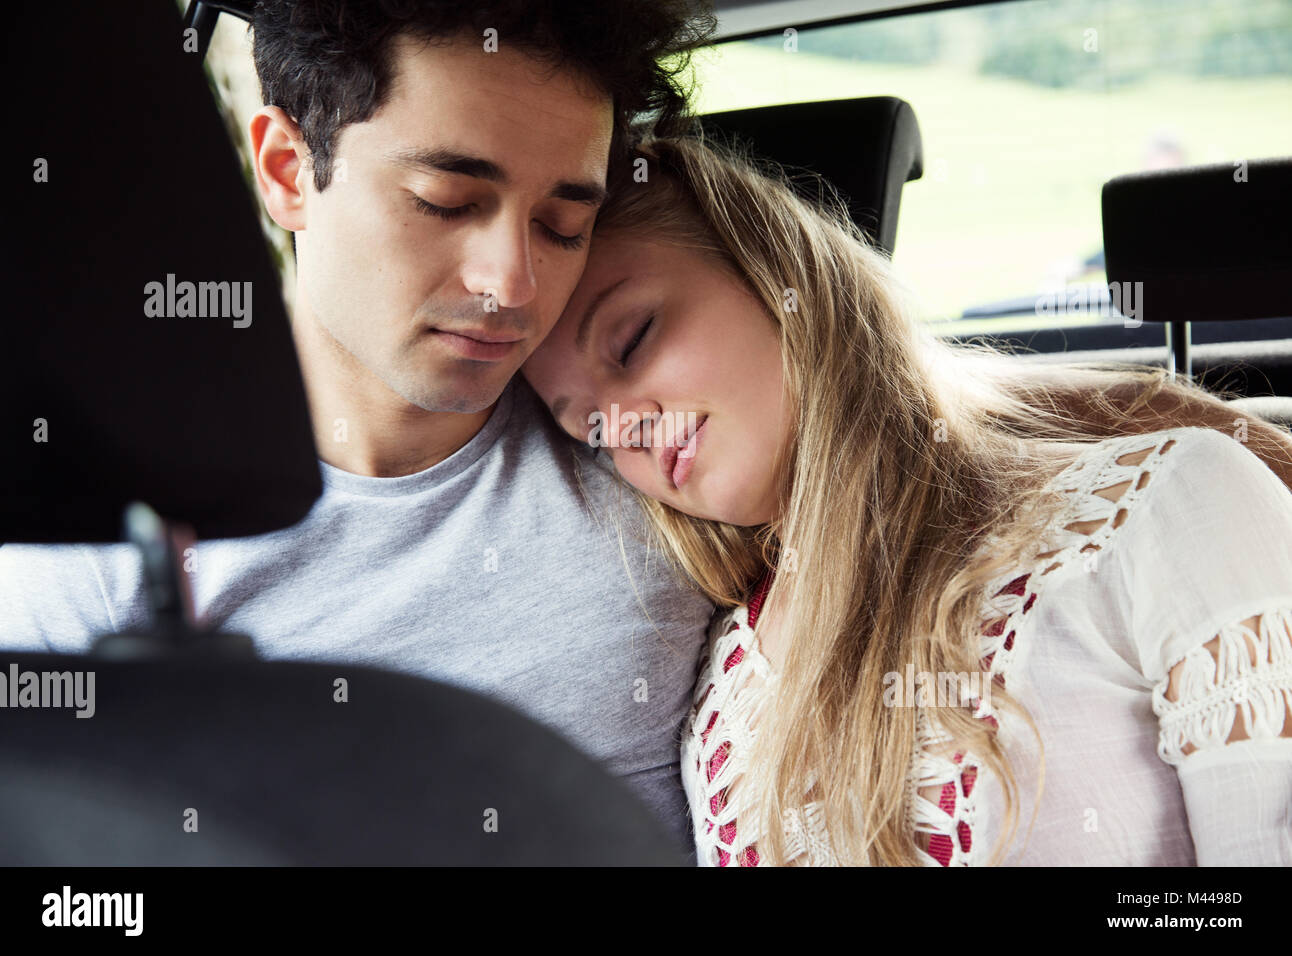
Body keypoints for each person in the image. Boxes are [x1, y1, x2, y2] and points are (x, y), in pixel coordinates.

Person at [0, 1, 718, 854]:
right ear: (288, 170)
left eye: (564, 227)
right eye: (444, 202)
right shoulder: (96, 551)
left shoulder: (663, 472)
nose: (510, 284)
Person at [520, 134, 1292, 866]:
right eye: (589, 428)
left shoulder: (1173, 505)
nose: (622, 426)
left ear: (767, 266)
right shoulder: (719, 697)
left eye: (631, 341)